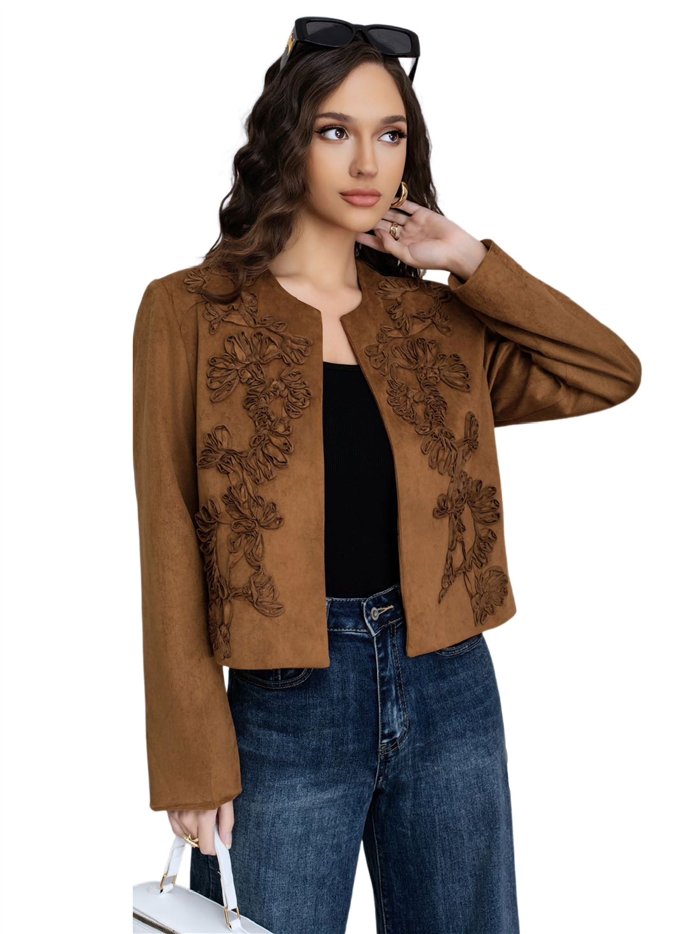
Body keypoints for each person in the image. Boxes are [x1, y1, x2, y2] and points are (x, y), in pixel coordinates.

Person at [131, 18, 642, 934]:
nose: (368, 161)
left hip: (451, 683)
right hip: (284, 707)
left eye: (391, 133)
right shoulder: (192, 312)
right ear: (288, 139)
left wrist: (470, 261)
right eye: (336, 130)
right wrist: (190, 755)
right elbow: (167, 527)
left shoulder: (436, 322)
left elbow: (607, 372)